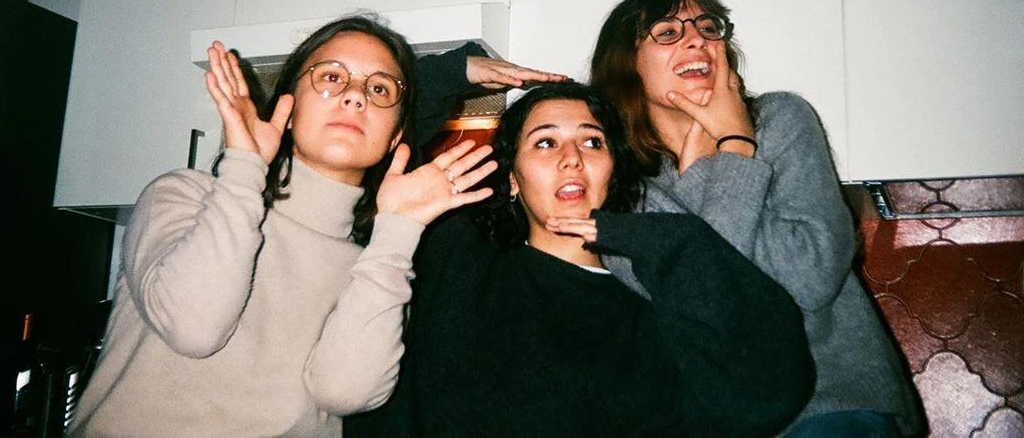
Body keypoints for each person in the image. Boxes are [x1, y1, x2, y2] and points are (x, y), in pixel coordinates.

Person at [69, 15, 503, 436]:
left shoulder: (377, 264)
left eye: (379, 88)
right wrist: (244, 165)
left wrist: (399, 232)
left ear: (394, 138)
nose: (356, 97)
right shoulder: (184, 196)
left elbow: (345, 393)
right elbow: (193, 328)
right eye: (331, 77)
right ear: (288, 110)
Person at [346, 82, 815, 437]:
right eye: (545, 142)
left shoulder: (648, 310)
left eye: (592, 142)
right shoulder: (457, 258)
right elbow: (368, 129)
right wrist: (460, 68)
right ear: (512, 179)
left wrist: (671, 240)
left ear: (614, 172)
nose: (572, 158)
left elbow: (768, 392)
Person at [587, 0, 924, 436]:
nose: (697, 41)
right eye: (667, 32)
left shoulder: (779, 120)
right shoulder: (619, 190)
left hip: (832, 403)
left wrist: (730, 150)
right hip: (717, 420)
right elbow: (711, 300)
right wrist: (732, 153)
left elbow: (811, 277)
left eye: (709, 27)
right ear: (626, 63)